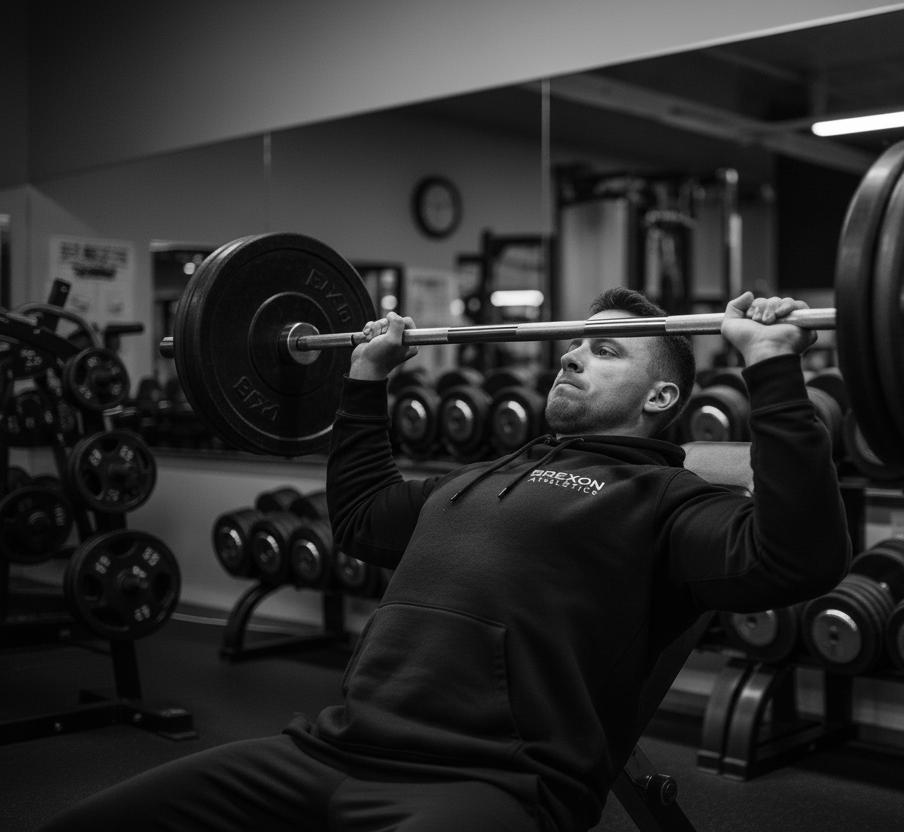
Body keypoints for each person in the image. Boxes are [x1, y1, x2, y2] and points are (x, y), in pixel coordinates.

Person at [41, 288, 850, 832]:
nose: (569, 357)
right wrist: (363, 378)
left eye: (605, 351)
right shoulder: (481, 475)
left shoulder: (666, 501)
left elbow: (799, 558)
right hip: (321, 749)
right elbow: (359, 517)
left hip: (484, 786)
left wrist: (772, 366)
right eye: (574, 346)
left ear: (662, 398)